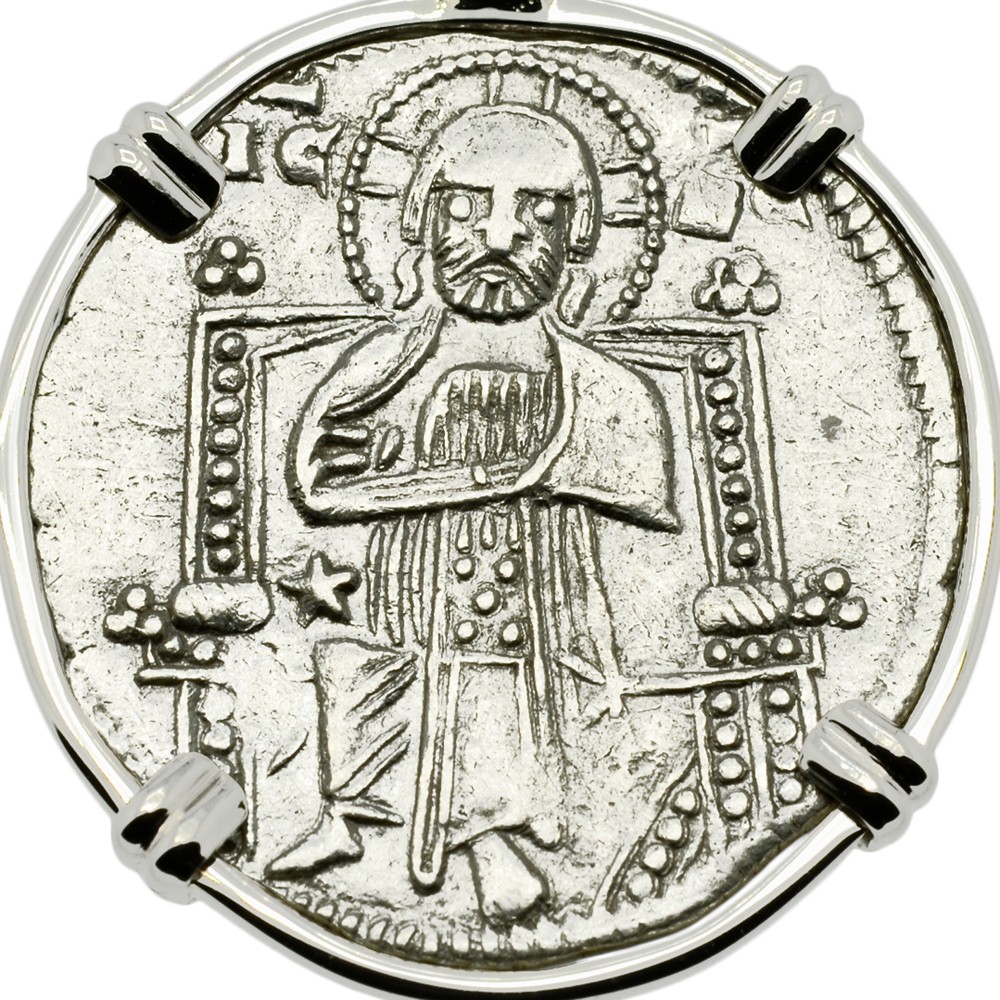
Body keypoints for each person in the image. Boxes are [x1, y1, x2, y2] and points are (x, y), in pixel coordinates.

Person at [275, 101, 678, 925]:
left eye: (539, 210)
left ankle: (493, 850)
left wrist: (509, 476)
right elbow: (317, 484)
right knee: (365, 674)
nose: (499, 235)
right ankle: (353, 818)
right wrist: (448, 474)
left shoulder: (606, 386)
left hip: (532, 586)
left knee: (490, 688)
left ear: (579, 232)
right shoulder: (385, 361)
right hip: (401, 583)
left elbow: (633, 483)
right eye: (465, 205)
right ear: (421, 217)